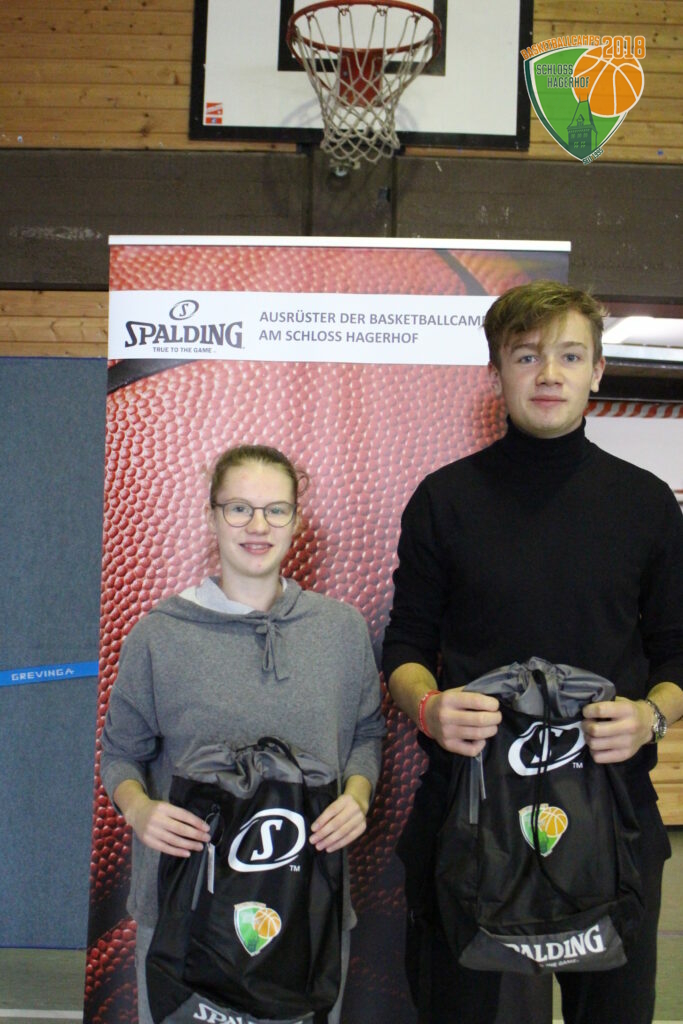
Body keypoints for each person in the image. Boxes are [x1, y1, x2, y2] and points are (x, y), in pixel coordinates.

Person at [382, 280, 683, 1024]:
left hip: (610, 821)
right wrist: (429, 707)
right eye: (526, 356)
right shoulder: (443, 500)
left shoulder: (646, 504)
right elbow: (405, 647)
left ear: (597, 371)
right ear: (497, 371)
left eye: (569, 356)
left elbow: (678, 651)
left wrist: (651, 717)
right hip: (467, 818)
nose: (548, 374)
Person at [100, 443, 384, 1024]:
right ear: (212, 517)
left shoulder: (342, 630)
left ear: (296, 520)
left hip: (306, 909)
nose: (258, 526)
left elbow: (366, 733)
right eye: (239, 509)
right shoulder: (159, 634)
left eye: (276, 510)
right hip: (185, 910)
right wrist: (139, 810)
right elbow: (121, 754)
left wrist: (358, 796)